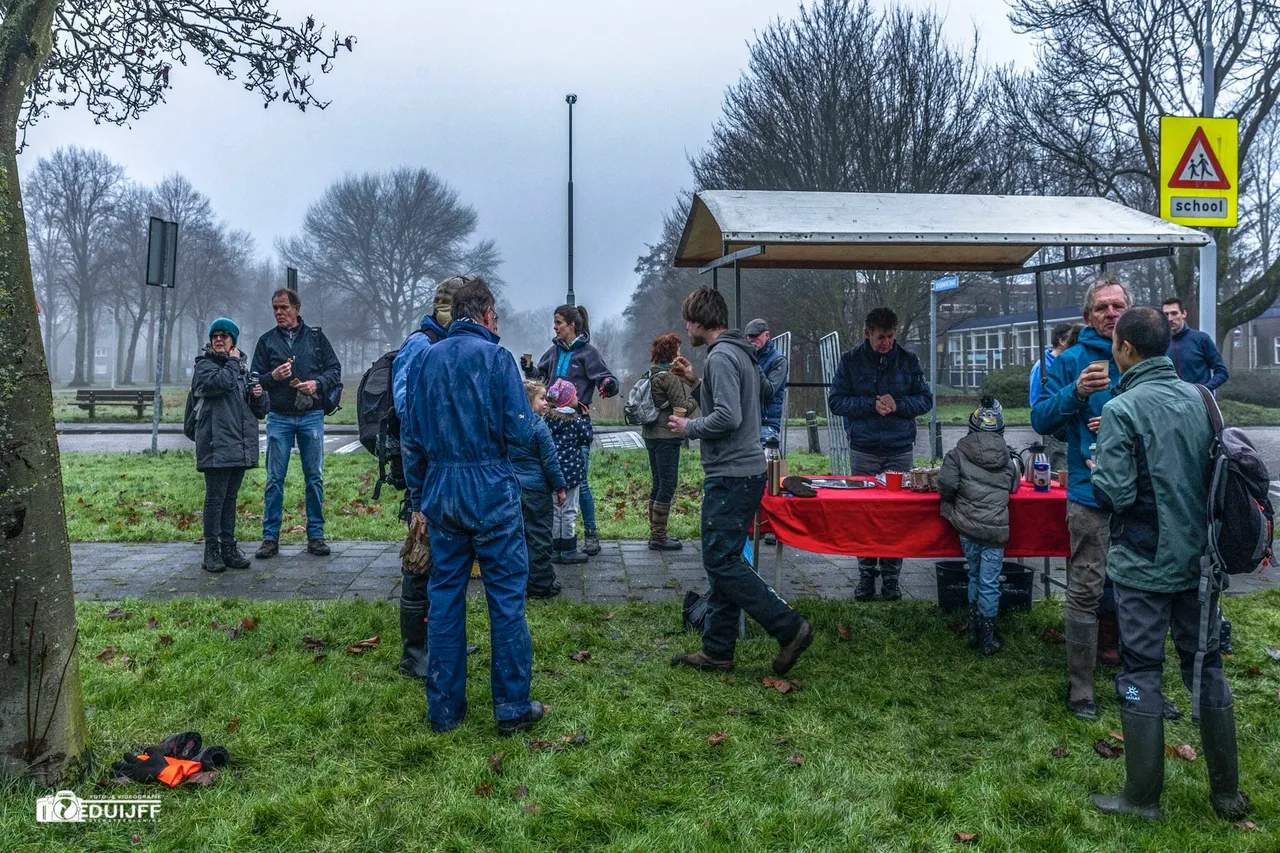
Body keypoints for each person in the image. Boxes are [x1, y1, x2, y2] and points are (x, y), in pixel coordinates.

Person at [1090, 307, 1249, 822]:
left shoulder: (1121, 409)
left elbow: (1115, 493)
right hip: (1202, 564)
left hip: (1143, 566)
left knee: (1139, 672)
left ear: (1126, 348)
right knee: (1206, 667)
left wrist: (1098, 466)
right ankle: (1226, 794)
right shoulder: (1203, 398)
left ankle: (1141, 799)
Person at [400, 278, 544, 736]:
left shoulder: (425, 359)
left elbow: (411, 437)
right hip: (491, 491)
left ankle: (444, 710)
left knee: (444, 596)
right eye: (496, 317)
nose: (497, 324)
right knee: (506, 599)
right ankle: (512, 707)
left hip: (442, 490)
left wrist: (419, 499)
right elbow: (520, 431)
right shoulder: (498, 359)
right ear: (485, 314)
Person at [666, 286, 813, 674]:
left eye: (689, 321)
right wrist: (696, 381)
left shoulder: (721, 357)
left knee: (721, 561)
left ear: (700, 321)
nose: (686, 328)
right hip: (746, 471)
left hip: (730, 474)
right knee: (724, 560)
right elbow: (741, 401)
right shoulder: (740, 352)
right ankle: (717, 650)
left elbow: (728, 417)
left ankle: (789, 627)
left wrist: (689, 427)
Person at [1031, 273, 1129, 720]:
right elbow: (1041, 419)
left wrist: (1121, 421)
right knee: (1086, 589)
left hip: (1142, 498)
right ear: (1088, 316)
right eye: (1103, 307)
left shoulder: (1147, 355)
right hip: (1090, 496)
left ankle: (1135, 684)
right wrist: (1076, 392)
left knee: (1140, 591)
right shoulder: (1070, 360)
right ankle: (1082, 689)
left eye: (1118, 305)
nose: (1112, 313)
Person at [828, 307, 933, 602]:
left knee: (895, 516)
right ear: (867, 334)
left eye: (890, 336)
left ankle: (891, 578)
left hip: (899, 449)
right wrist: (869, 404)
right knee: (864, 514)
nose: (886, 342)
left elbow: (925, 400)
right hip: (864, 448)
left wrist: (898, 404)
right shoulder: (850, 361)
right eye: (880, 337)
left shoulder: (908, 361)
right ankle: (866, 575)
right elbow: (836, 401)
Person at [390, 276, 464, 679]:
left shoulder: (445, 343)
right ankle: (414, 652)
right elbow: (409, 414)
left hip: (445, 470)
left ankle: (438, 639)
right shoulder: (420, 345)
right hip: (425, 471)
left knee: (443, 562)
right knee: (419, 560)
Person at [251, 287, 341, 559]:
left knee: (314, 477)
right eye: (275, 308)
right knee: (274, 479)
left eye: (284, 307)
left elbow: (334, 370)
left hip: (311, 415)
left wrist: (317, 383)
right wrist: (273, 376)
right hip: (279, 416)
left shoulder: (316, 338)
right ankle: (270, 538)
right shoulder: (266, 341)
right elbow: (254, 379)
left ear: (297, 308)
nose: (279, 312)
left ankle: (316, 536)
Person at [523, 304, 618, 557]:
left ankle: (590, 533)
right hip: (551, 422)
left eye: (558, 322)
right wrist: (529, 369)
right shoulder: (553, 351)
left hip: (576, 424)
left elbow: (607, 379)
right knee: (555, 481)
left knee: (580, 483)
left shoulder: (588, 353)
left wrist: (608, 385)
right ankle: (559, 540)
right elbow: (541, 378)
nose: (554, 327)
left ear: (572, 325)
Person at [938, 395, 1020, 656]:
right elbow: (1014, 486)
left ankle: (974, 631)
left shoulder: (957, 454)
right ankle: (987, 638)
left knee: (974, 575)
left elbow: (946, 485)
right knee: (990, 582)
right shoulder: (1009, 458)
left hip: (967, 528)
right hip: (995, 532)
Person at [193, 318, 269, 573]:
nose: (219, 339)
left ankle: (228, 547)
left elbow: (259, 411)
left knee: (230, 498)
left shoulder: (240, 370)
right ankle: (211, 551)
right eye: (215, 335)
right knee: (215, 498)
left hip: (238, 443)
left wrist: (259, 395)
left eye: (224, 336)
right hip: (216, 442)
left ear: (233, 341)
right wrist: (234, 363)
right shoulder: (205, 366)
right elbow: (219, 384)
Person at [641, 333, 699, 551]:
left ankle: (655, 533)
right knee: (667, 485)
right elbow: (681, 408)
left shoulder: (651, 374)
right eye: (678, 350)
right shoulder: (669, 378)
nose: (680, 354)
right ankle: (659, 537)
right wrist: (696, 396)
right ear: (671, 354)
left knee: (658, 483)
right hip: (667, 437)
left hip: (650, 435)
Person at [510, 380, 568, 598]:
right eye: (542, 398)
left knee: (518, 537)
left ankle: (519, 581)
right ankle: (541, 585)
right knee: (540, 537)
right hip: (537, 492)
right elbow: (550, 462)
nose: (546, 403)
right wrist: (560, 487)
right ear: (528, 402)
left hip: (513, 490)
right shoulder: (539, 427)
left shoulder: (508, 426)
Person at [544, 379, 593, 565]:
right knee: (569, 511)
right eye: (574, 395)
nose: (577, 398)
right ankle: (569, 550)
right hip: (572, 474)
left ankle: (555, 549)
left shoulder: (547, 420)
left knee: (555, 511)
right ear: (568, 400)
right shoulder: (576, 420)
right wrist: (586, 419)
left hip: (553, 474)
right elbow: (587, 438)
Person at [1030, 322, 1074, 472]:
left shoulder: (1069, 363)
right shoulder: (1042, 367)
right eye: (1072, 340)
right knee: (1060, 468)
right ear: (1062, 341)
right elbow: (1036, 402)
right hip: (1055, 428)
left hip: (1071, 426)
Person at [1162, 297, 1229, 392]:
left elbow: (1222, 372)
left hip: (1198, 399)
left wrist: (1204, 390)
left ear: (1184, 314)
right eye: (1166, 314)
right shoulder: (1159, 343)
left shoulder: (1201, 339)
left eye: (1174, 313)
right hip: (1170, 399)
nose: (1170, 318)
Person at [745, 318, 788, 447]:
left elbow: (768, 391)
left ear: (767, 335)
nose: (751, 340)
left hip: (766, 424)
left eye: (755, 336)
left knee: (766, 460)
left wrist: (754, 362)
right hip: (746, 424)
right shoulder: (746, 357)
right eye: (749, 337)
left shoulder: (778, 360)